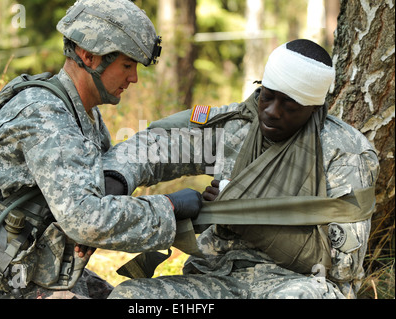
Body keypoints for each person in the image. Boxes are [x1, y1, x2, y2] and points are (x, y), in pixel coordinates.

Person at [0, 0, 202, 299]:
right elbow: (87, 221)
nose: (133, 78)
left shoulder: (81, 112)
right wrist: (170, 208)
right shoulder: (46, 116)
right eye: (127, 65)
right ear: (89, 56)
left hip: (31, 270)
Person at [104, 39, 380, 299]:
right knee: (130, 297)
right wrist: (114, 178)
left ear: (313, 107)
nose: (271, 112)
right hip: (217, 276)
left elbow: (344, 266)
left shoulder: (344, 153)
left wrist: (244, 214)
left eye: (289, 106)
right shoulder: (239, 126)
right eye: (267, 97)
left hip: (298, 284)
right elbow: (158, 144)